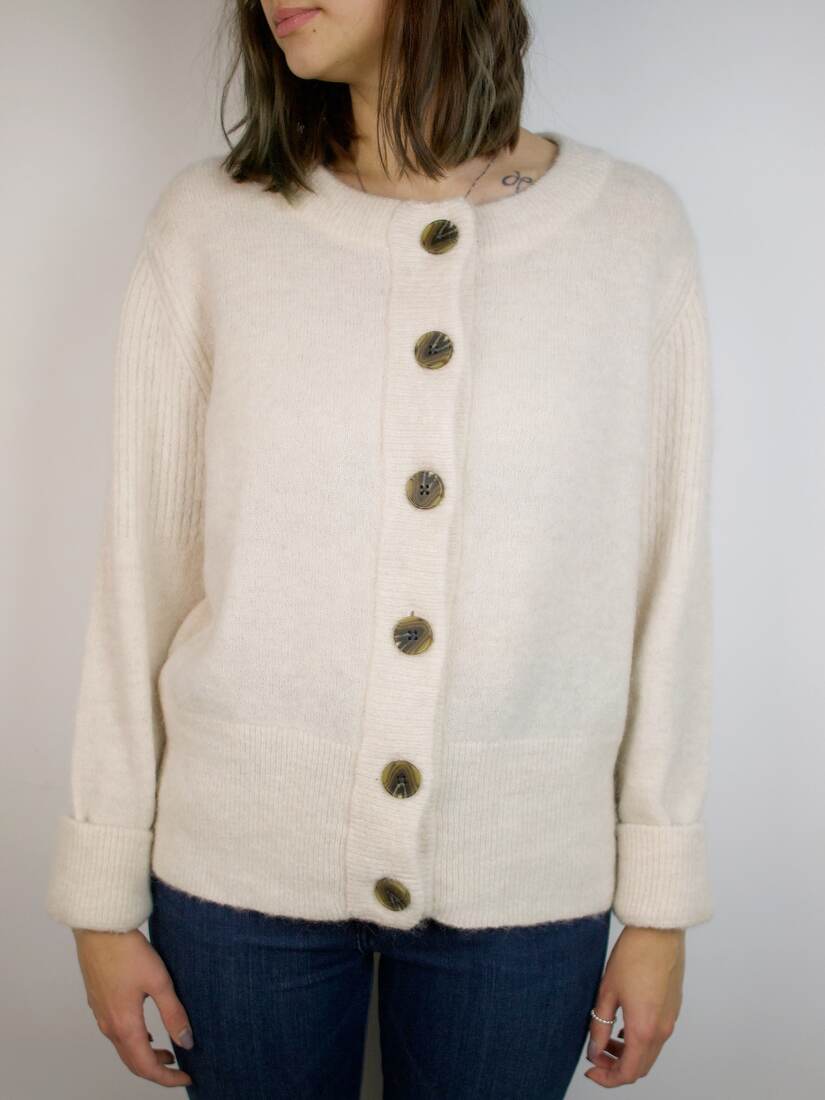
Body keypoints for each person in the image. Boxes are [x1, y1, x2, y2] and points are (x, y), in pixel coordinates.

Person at [45, 1, 716, 1097]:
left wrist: (659, 903)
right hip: (235, 878)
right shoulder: (212, 226)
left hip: (527, 879)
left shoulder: (631, 234)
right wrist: (100, 896)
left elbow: (667, 580)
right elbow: (141, 574)